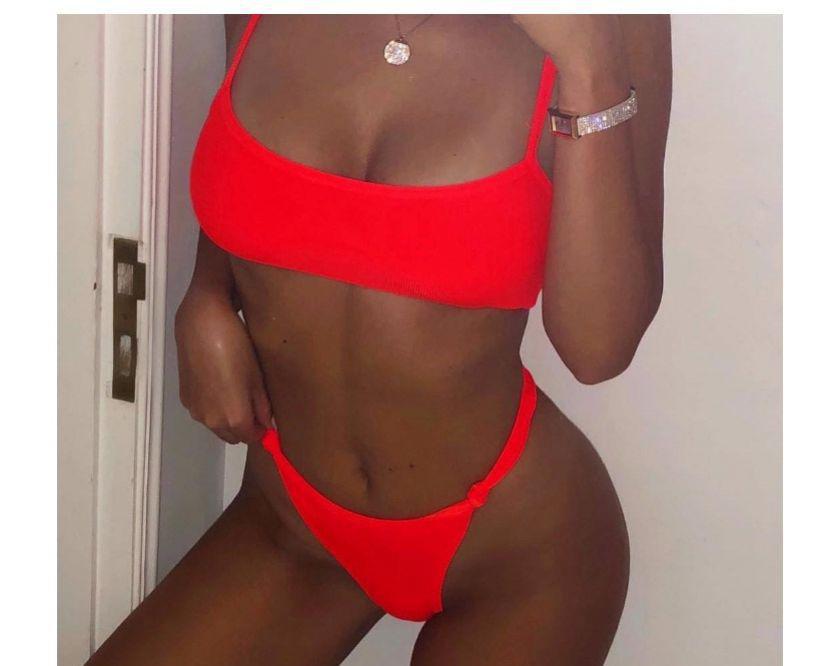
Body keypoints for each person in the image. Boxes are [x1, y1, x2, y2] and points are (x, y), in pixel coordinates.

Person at [88, 13, 671, 665]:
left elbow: (599, 349)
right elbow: (244, 154)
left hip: (516, 553)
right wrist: (207, 293)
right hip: (291, 518)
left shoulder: (615, 22)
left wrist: (590, 64)